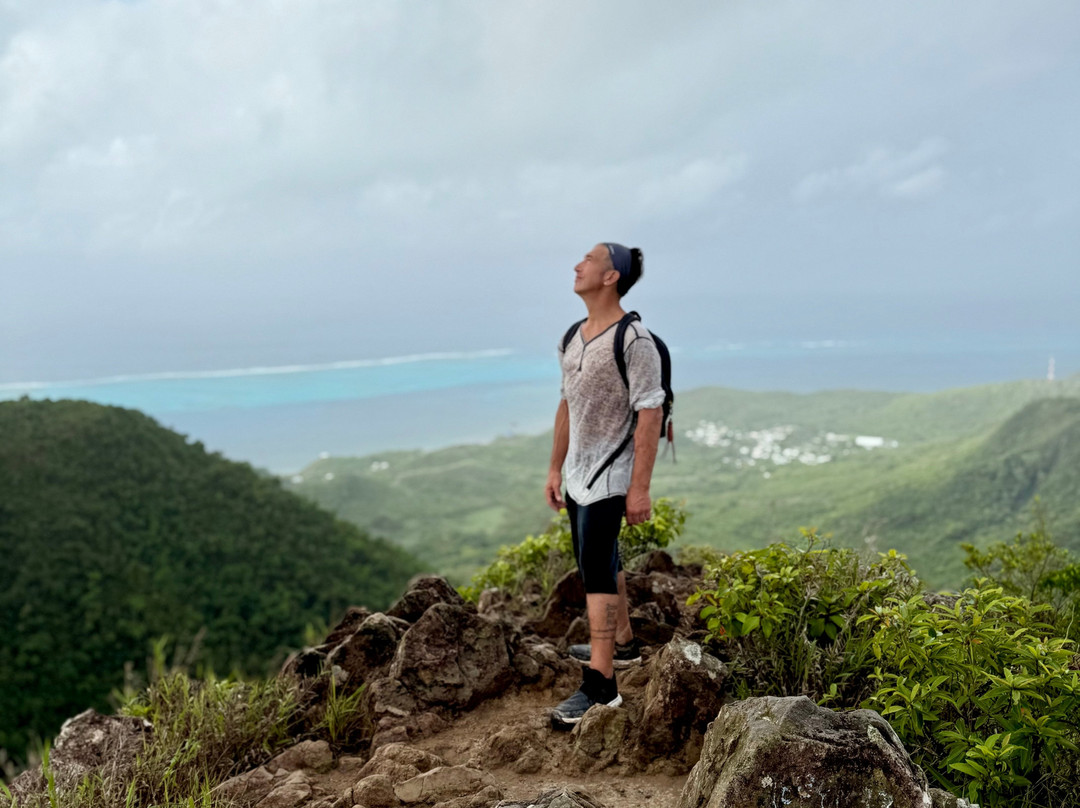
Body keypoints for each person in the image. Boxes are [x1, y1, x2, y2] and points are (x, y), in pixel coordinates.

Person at [545, 242, 665, 729]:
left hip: (612, 473)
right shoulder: (573, 336)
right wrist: (554, 469)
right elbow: (566, 405)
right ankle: (624, 644)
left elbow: (650, 413)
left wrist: (639, 489)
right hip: (577, 473)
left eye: (589, 259)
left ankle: (602, 685)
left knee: (595, 566)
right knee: (600, 559)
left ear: (611, 275)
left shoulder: (635, 341)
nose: (577, 265)